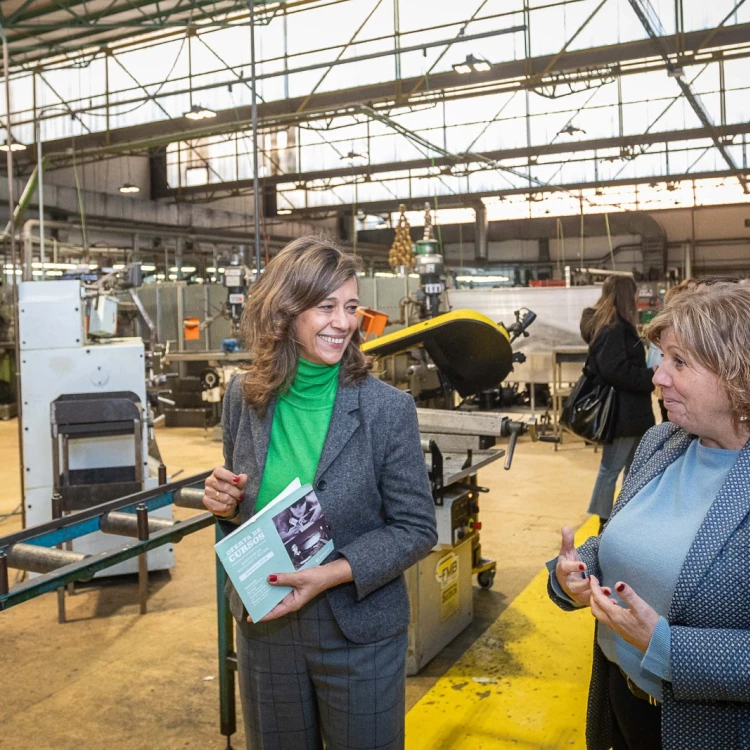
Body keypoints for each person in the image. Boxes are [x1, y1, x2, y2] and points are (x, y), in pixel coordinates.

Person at [202, 236, 438, 750]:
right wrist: (224, 503)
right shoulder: (245, 398)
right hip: (267, 629)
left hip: (357, 631)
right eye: (325, 306)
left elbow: (417, 529)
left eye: (351, 307)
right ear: (285, 314)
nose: (343, 321)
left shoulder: (385, 409)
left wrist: (330, 574)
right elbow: (241, 505)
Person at [548, 283, 750, 750]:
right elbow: (622, 539)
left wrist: (666, 648)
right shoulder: (662, 444)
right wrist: (576, 569)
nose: (658, 376)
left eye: (679, 362)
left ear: (738, 375)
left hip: (709, 731)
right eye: (663, 359)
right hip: (623, 700)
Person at [580, 276, 655, 525]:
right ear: (625, 296)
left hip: (632, 413)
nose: (637, 299)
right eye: (634, 294)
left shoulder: (617, 325)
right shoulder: (613, 328)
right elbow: (615, 369)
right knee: (610, 468)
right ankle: (603, 521)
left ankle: (624, 515)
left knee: (632, 468)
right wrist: (649, 376)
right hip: (622, 413)